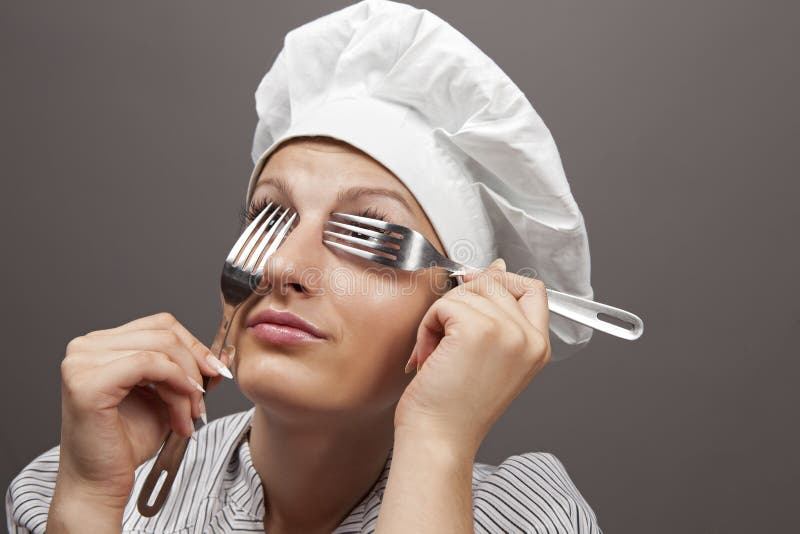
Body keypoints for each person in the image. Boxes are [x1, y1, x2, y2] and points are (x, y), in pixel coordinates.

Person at [6, 1, 602, 532]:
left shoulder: (531, 519)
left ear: (454, 306)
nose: (283, 265)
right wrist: (87, 505)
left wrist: (437, 444)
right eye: (270, 214)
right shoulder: (81, 483)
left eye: (369, 235)